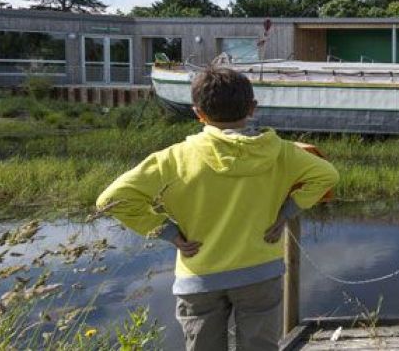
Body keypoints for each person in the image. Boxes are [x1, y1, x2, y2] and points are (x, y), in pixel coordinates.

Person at [96, 66, 338, 351]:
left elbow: (113, 199)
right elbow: (328, 176)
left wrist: (169, 232)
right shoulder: (282, 151)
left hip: (199, 275)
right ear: (252, 108)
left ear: (198, 112)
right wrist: (285, 213)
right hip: (260, 271)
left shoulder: (174, 158)